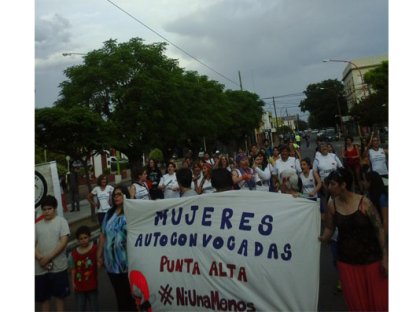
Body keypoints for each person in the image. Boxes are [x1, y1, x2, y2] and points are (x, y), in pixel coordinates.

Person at [319, 168, 388, 311]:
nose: (329, 187)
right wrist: (321, 238)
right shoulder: (332, 206)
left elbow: (379, 229)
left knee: (379, 303)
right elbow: (329, 228)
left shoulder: (365, 203)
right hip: (347, 263)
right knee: (357, 304)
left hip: (371, 261)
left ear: (343, 185)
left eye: (332, 184)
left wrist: (386, 256)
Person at [97, 185, 137, 311]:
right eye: (114, 195)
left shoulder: (130, 213)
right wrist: (99, 255)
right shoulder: (109, 213)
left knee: (129, 296)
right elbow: (103, 235)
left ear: (124, 195)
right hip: (111, 263)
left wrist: (131, 198)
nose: (116, 197)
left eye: (119, 194)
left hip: (126, 263)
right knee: (119, 296)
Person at [35, 195, 71, 311]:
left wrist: (48, 258)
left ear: (55, 208)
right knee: (44, 299)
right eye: (44, 209)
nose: (46, 212)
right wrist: (41, 258)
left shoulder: (61, 222)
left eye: (49, 209)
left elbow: (63, 241)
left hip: (58, 268)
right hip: (40, 269)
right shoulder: (36, 225)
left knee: (59, 297)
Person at [68, 225, 99, 311]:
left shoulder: (95, 249)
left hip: (92, 285)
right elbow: (73, 269)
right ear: (78, 240)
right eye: (81, 238)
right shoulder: (74, 253)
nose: (83, 240)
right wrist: (73, 282)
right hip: (79, 286)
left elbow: (100, 263)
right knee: (80, 307)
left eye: (85, 237)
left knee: (94, 307)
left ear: (89, 237)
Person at [366, 171, 389, 235]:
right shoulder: (369, 194)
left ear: (370, 182)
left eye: (364, 180)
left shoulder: (382, 197)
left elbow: (385, 221)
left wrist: (383, 239)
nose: (363, 183)